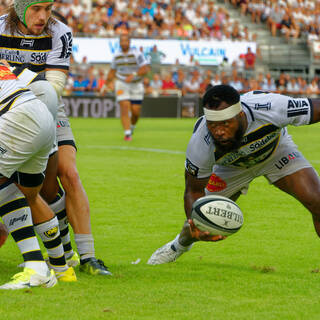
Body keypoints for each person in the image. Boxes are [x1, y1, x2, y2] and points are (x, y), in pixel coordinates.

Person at [148, 84, 320, 265]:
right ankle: (178, 246)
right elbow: (193, 191)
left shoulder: (272, 107)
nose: (219, 131)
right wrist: (195, 225)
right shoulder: (200, 142)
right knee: (201, 215)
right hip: (230, 168)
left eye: (225, 124)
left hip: (276, 152)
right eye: (213, 125)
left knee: (317, 200)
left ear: (240, 115)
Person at [1, 0, 111, 276]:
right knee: (33, 188)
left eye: (48, 8)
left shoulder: (59, 31)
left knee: (66, 174)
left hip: (47, 104)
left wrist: (15, 74)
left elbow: (54, 87)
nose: (43, 16)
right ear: (20, 7)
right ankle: (62, 256)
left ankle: (87, 257)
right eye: (37, 9)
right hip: (8, 104)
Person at [0, 60, 73, 289]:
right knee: (30, 196)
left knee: (5, 189)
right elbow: (44, 88)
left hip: (18, 118)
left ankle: (36, 266)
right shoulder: (4, 63)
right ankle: (62, 268)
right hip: (40, 114)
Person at [106, 34, 149, 141]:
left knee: (136, 111)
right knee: (124, 107)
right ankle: (127, 133)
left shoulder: (137, 53)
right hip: (121, 83)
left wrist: (133, 75)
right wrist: (107, 84)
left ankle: (132, 127)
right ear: (119, 43)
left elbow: (145, 69)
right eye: (122, 41)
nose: (124, 43)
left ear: (129, 42)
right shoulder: (116, 55)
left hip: (136, 84)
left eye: (126, 41)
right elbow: (112, 71)